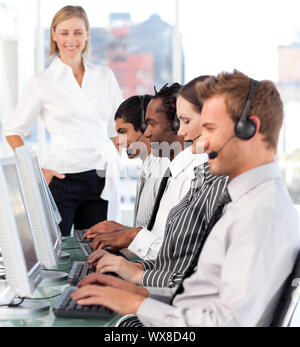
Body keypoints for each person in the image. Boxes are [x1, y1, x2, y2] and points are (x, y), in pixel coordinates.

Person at [71, 70, 299, 327]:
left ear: (249, 130)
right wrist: (136, 292)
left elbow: (226, 324)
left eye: (210, 129)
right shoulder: (245, 201)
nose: (197, 142)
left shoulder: (259, 213)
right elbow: (201, 296)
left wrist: (137, 304)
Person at [87, 76, 229, 289]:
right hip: (159, 278)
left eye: (151, 123)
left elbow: (181, 261)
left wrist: (134, 260)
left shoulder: (196, 177)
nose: (146, 133)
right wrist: (130, 266)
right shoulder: (174, 171)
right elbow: (170, 255)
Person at [4, 6, 123, 236]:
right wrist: (36, 171)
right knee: (54, 253)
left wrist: (115, 159)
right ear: (54, 35)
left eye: (78, 32)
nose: (71, 40)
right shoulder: (42, 81)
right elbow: (13, 130)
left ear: (87, 34)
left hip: (100, 181)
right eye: (65, 32)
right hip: (61, 180)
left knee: (94, 254)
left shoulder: (104, 76)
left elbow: (116, 128)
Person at [84, 94, 170, 240]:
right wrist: (120, 231)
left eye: (123, 132)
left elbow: (163, 238)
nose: (118, 142)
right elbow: (147, 231)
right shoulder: (147, 168)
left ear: (145, 127)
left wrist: (121, 232)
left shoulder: (164, 170)